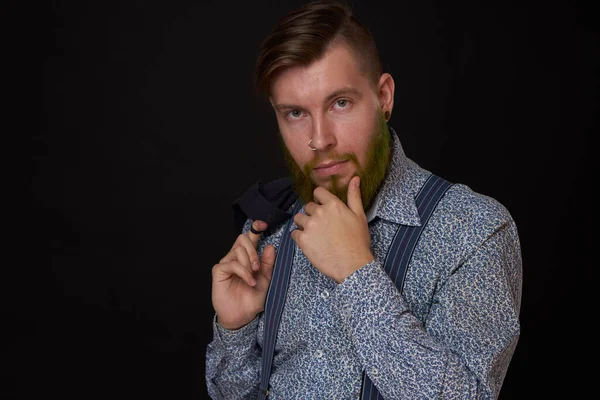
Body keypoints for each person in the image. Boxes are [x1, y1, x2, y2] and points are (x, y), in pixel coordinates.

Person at [205, 1, 522, 398]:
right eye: (296, 113)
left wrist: (357, 274)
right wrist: (235, 330)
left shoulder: (473, 231)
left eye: (340, 103)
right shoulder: (272, 232)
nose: (319, 140)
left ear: (384, 97)